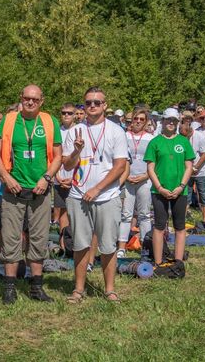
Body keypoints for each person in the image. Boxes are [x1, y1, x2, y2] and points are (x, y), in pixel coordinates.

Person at [0, 84, 62, 304]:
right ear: (21, 98)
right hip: (13, 189)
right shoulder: (9, 120)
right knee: (11, 238)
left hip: (40, 190)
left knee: (39, 238)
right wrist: (6, 177)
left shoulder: (50, 121)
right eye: (27, 98)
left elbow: (58, 155)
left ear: (42, 101)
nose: (30, 102)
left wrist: (46, 178)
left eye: (35, 99)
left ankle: (36, 287)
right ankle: (9, 288)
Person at [63, 86, 128, 303]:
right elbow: (67, 164)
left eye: (97, 102)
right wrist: (76, 150)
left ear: (105, 105)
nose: (92, 106)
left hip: (107, 196)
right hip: (78, 195)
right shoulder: (75, 131)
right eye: (88, 102)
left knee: (108, 246)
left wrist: (97, 188)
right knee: (80, 245)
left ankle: (109, 290)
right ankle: (78, 289)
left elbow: (120, 166)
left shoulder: (116, 131)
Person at [144, 108, 194, 277]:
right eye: (168, 120)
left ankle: (178, 262)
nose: (171, 123)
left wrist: (181, 186)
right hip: (159, 191)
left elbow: (189, 167)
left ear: (178, 122)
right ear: (163, 121)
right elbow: (150, 168)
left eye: (174, 120)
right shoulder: (155, 142)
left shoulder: (184, 141)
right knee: (159, 226)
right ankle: (158, 263)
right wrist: (160, 188)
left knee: (180, 226)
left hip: (180, 190)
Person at [118, 108, 154, 259]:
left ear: (146, 122)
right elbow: (119, 159)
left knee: (144, 215)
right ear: (131, 120)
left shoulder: (151, 138)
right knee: (126, 215)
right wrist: (125, 176)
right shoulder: (123, 136)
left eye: (141, 119)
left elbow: (155, 162)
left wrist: (145, 176)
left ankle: (145, 248)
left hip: (145, 180)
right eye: (136, 118)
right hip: (127, 180)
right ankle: (121, 247)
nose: (138, 121)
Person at [53, 103, 76, 245]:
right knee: (62, 211)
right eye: (63, 113)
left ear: (75, 115)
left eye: (69, 113)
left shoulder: (80, 130)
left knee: (76, 212)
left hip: (76, 178)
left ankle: (75, 242)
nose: (66, 115)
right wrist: (56, 175)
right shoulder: (56, 131)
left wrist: (73, 178)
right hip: (59, 177)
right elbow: (52, 155)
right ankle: (63, 244)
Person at [179, 123, 205, 224]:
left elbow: (204, 155)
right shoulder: (180, 137)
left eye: (185, 135)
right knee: (185, 196)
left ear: (190, 130)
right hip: (186, 172)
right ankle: (182, 220)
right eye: (181, 135)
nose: (184, 137)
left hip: (201, 172)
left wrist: (195, 167)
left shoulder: (200, 136)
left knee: (204, 196)